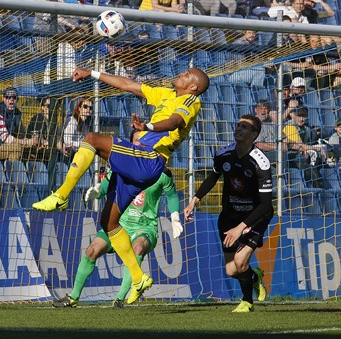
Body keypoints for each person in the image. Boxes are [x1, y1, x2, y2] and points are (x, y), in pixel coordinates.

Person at [32, 66, 209, 304]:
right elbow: (128, 85)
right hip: (141, 164)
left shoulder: (190, 101)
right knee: (109, 222)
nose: (182, 74)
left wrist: (148, 127)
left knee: (92, 139)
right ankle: (138, 278)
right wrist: (92, 73)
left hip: (149, 158)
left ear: (193, 86)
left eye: (188, 74)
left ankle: (62, 195)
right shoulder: (166, 94)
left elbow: (175, 122)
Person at [54, 132, 183, 309]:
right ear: (131, 143)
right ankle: (73, 298)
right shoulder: (122, 165)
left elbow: (171, 196)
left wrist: (175, 217)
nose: (141, 142)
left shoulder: (161, 171)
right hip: (118, 223)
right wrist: (98, 192)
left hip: (144, 226)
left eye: (144, 138)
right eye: (137, 139)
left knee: (138, 246)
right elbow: (106, 186)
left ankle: (119, 299)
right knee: (92, 250)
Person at [183, 114, 272, 313]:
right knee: (232, 270)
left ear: (254, 135)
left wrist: (241, 228)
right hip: (230, 215)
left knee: (240, 262)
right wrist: (194, 200)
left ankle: (247, 302)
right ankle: (255, 277)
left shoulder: (261, 163)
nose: (239, 129)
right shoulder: (224, 153)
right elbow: (213, 177)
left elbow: (266, 205)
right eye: (238, 125)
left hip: (255, 217)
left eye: (245, 127)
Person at [282, 106, 324, 188]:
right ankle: (317, 188)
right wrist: (315, 148)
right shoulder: (290, 127)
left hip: (303, 155)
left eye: (304, 116)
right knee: (307, 165)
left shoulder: (307, 128)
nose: (301, 119)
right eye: (299, 116)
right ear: (293, 115)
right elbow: (299, 145)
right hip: (291, 156)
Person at [0, 87, 39, 161]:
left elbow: (21, 134)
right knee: (17, 147)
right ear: (4, 98)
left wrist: (31, 141)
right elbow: (4, 137)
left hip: (10, 145)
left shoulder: (17, 114)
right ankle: (12, 170)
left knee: (34, 149)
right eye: (8, 97)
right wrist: (24, 142)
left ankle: (11, 170)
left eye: (14, 97)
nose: (11, 99)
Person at [24, 97, 57, 162]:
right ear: (43, 107)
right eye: (48, 106)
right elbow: (35, 138)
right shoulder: (37, 119)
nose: (50, 108)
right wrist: (46, 143)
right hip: (36, 151)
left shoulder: (53, 120)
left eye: (52, 106)